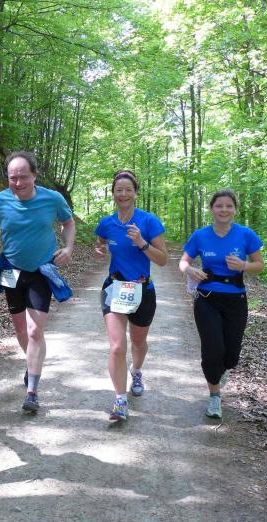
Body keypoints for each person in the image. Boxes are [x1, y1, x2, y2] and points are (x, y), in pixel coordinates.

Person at [0, 151, 75, 414]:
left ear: (34, 175)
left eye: (23, 177)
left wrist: (68, 247)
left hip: (41, 271)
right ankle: (31, 362)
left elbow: (68, 223)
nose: (18, 183)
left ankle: (32, 391)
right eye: (13, 178)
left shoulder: (52, 199)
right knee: (21, 331)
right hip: (10, 270)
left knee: (34, 331)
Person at [178, 188, 264, 419]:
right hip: (207, 297)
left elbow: (259, 265)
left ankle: (222, 370)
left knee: (231, 354)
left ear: (235, 209)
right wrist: (190, 270)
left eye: (228, 206)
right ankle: (214, 396)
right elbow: (183, 262)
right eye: (219, 206)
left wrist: (243, 266)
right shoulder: (201, 235)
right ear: (211, 209)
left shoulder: (246, 234)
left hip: (236, 298)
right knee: (212, 348)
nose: (224, 210)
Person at [93, 170, 167, 421]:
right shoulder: (107, 223)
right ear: (113, 194)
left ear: (135, 193)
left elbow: (163, 259)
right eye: (118, 190)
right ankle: (120, 401)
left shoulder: (149, 221)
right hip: (115, 288)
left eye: (128, 190)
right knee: (117, 346)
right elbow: (101, 242)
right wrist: (100, 250)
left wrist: (142, 243)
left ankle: (136, 371)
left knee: (138, 342)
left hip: (142, 290)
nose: (123, 194)